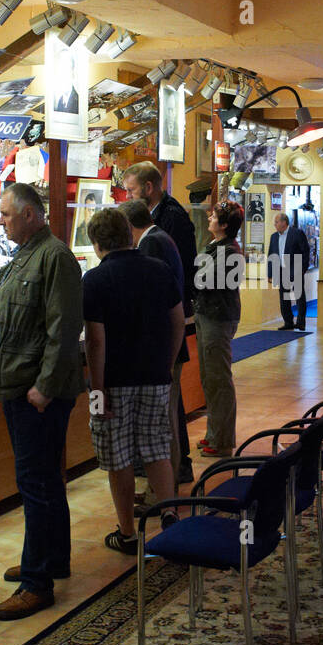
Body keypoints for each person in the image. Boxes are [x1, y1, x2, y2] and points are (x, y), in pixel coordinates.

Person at [0, 182, 86, 617]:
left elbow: (63, 330)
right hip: (17, 384)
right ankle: (50, 558)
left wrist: (44, 386)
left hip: (37, 392)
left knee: (36, 483)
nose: (1, 221)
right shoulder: (22, 256)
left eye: (6, 214)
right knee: (42, 479)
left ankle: (36, 581)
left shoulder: (55, 257)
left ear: (30, 214)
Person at [82, 208, 186, 553]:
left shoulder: (94, 281)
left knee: (119, 458)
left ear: (97, 243)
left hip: (114, 382)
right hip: (155, 376)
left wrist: (97, 391)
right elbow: (177, 323)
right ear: (129, 234)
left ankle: (127, 532)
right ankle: (169, 515)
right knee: (157, 449)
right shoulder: (160, 271)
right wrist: (168, 366)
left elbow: (96, 341)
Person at [123, 161, 197, 480]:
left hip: (164, 333)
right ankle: (172, 475)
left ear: (148, 188)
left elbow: (167, 286)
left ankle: (168, 481)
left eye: (130, 190)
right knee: (166, 411)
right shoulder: (160, 226)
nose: (127, 194)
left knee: (163, 415)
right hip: (169, 330)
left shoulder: (166, 225)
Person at [193, 200, 244, 457]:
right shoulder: (216, 246)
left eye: (213, 217)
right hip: (206, 314)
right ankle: (213, 432)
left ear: (224, 225)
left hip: (218, 317)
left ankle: (222, 440)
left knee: (219, 380)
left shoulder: (229, 251)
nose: (209, 219)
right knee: (209, 379)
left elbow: (205, 281)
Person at [268, 212, 308, 330]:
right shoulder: (274, 237)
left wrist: (303, 269)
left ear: (284, 222)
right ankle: (288, 322)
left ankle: (300, 322)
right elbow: (271, 255)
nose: (275, 224)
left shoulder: (297, 234)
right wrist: (271, 273)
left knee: (299, 296)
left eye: (276, 222)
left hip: (295, 268)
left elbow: (305, 251)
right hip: (281, 270)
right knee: (284, 297)